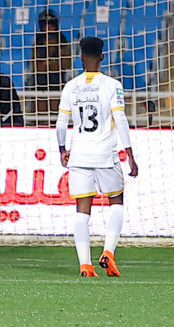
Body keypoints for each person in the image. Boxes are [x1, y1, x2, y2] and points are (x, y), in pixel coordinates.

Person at [56, 36, 139, 278]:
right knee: (116, 200)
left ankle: (85, 265)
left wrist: (62, 149)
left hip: (79, 155)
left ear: (80, 58)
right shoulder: (112, 85)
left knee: (82, 208)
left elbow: (61, 123)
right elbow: (121, 119)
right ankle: (109, 253)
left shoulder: (70, 86)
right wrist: (130, 154)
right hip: (105, 154)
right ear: (103, 57)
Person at [31, 9, 72, 115]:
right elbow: (35, 64)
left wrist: (51, 62)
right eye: (45, 25)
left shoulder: (62, 41)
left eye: (50, 25)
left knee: (56, 109)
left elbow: (66, 62)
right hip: (40, 81)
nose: (48, 28)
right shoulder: (38, 41)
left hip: (57, 80)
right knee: (40, 109)